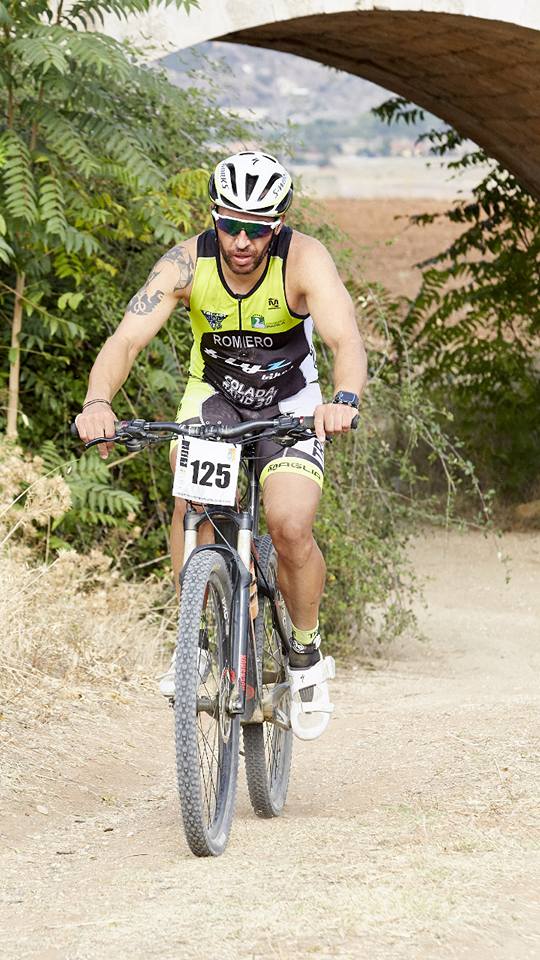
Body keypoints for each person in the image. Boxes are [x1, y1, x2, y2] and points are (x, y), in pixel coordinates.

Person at [75, 151, 367, 739]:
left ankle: (305, 653)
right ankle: (199, 646)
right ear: (214, 217)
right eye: (230, 225)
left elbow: (346, 339)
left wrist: (343, 400)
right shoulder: (185, 263)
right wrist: (97, 402)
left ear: (277, 226)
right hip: (215, 398)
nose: (240, 241)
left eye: (256, 229)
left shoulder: (304, 259)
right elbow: (127, 340)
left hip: (290, 403)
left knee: (289, 526)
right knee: (192, 503)